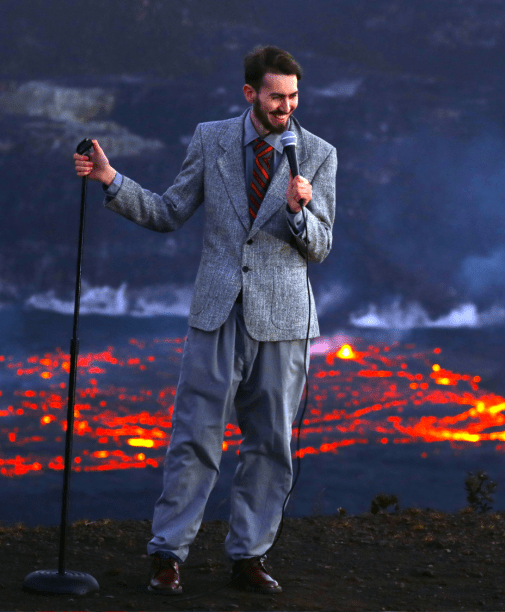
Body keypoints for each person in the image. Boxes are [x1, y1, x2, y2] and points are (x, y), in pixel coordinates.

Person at [73, 45, 336, 596]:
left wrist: (297, 212)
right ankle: (168, 554)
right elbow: (170, 211)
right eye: (275, 97)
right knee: (194, 436)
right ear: (250, 94)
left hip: (285, 321)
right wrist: (111, 178)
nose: (286, 107)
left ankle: (249, 557)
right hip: (217, 313)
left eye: (292, 97)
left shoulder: (317, 154)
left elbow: (320, 247)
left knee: (270, 444)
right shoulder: (211, 138)